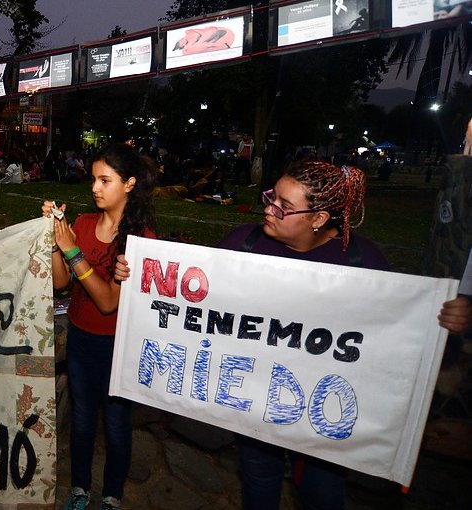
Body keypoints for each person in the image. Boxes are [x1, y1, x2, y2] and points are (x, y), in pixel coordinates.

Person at [113, 160, 472, 510]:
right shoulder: (243, 243)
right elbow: (193, 296)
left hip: (326, 415)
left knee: (323, 492)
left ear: (318, 219)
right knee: (258, 479)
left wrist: (446, 319)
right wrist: (136, 275)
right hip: (254, 402)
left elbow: (395, 329)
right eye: (271, 198)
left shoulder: (363, 264)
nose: (268, 209)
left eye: (284, 206)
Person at [41, 143, 157, 510]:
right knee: (82, 421)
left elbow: (108, 302)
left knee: (118, 425)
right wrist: (59, 243)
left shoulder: (141, 240)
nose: (95, 187)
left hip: (118, 345)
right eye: (93, 179)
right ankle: (79, 489)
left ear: (129, 184)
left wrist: (74, 253)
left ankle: (111, 496)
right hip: (80, 338)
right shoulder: (85, 223)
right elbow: (62, 284)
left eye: (105, 180)